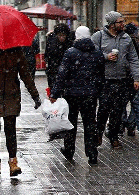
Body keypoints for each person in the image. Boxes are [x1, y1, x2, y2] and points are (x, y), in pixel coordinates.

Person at [0, 46, 41, 177]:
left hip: (11, 96)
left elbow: (25, 74)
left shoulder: (16, 51)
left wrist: (35, 95)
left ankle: (13, 163)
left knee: (10, 130)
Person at [49, 26, 105, 164]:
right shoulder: (97, 53)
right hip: (90, 95)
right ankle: (92, 154)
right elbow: (101, 76)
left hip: (72, 95)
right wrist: (98, 91)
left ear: (76, 37)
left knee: (71, 123)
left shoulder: (70, 53)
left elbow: (62, 74)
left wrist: (54, 93)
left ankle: (69, 150)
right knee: (90, 124)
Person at [91, 11, 139, 148]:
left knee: (118, 110)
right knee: (104, 109)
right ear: (112, 24)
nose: (123, 24)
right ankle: (99, 134)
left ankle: (113, 136)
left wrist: (136, 78)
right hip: (105, 79)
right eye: (120, 22)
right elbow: (91, 54)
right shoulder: (99, 36)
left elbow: (133, 59)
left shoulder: (126, 38)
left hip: (122, 79)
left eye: (122, 21)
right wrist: (106, 57)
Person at [120, 23, 139, 145]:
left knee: (123, 103)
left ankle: (123, 124)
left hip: (126, 78)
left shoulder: (125, 43)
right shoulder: (138, 45)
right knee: (138, 104)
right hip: (138, 78)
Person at [45, 23, 74, 89]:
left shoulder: (70, 43)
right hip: (54, 70)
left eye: (63, 35)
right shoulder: (52, 42)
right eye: (60, 35)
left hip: (66, 71)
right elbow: (47, 55)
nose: (62, 37)